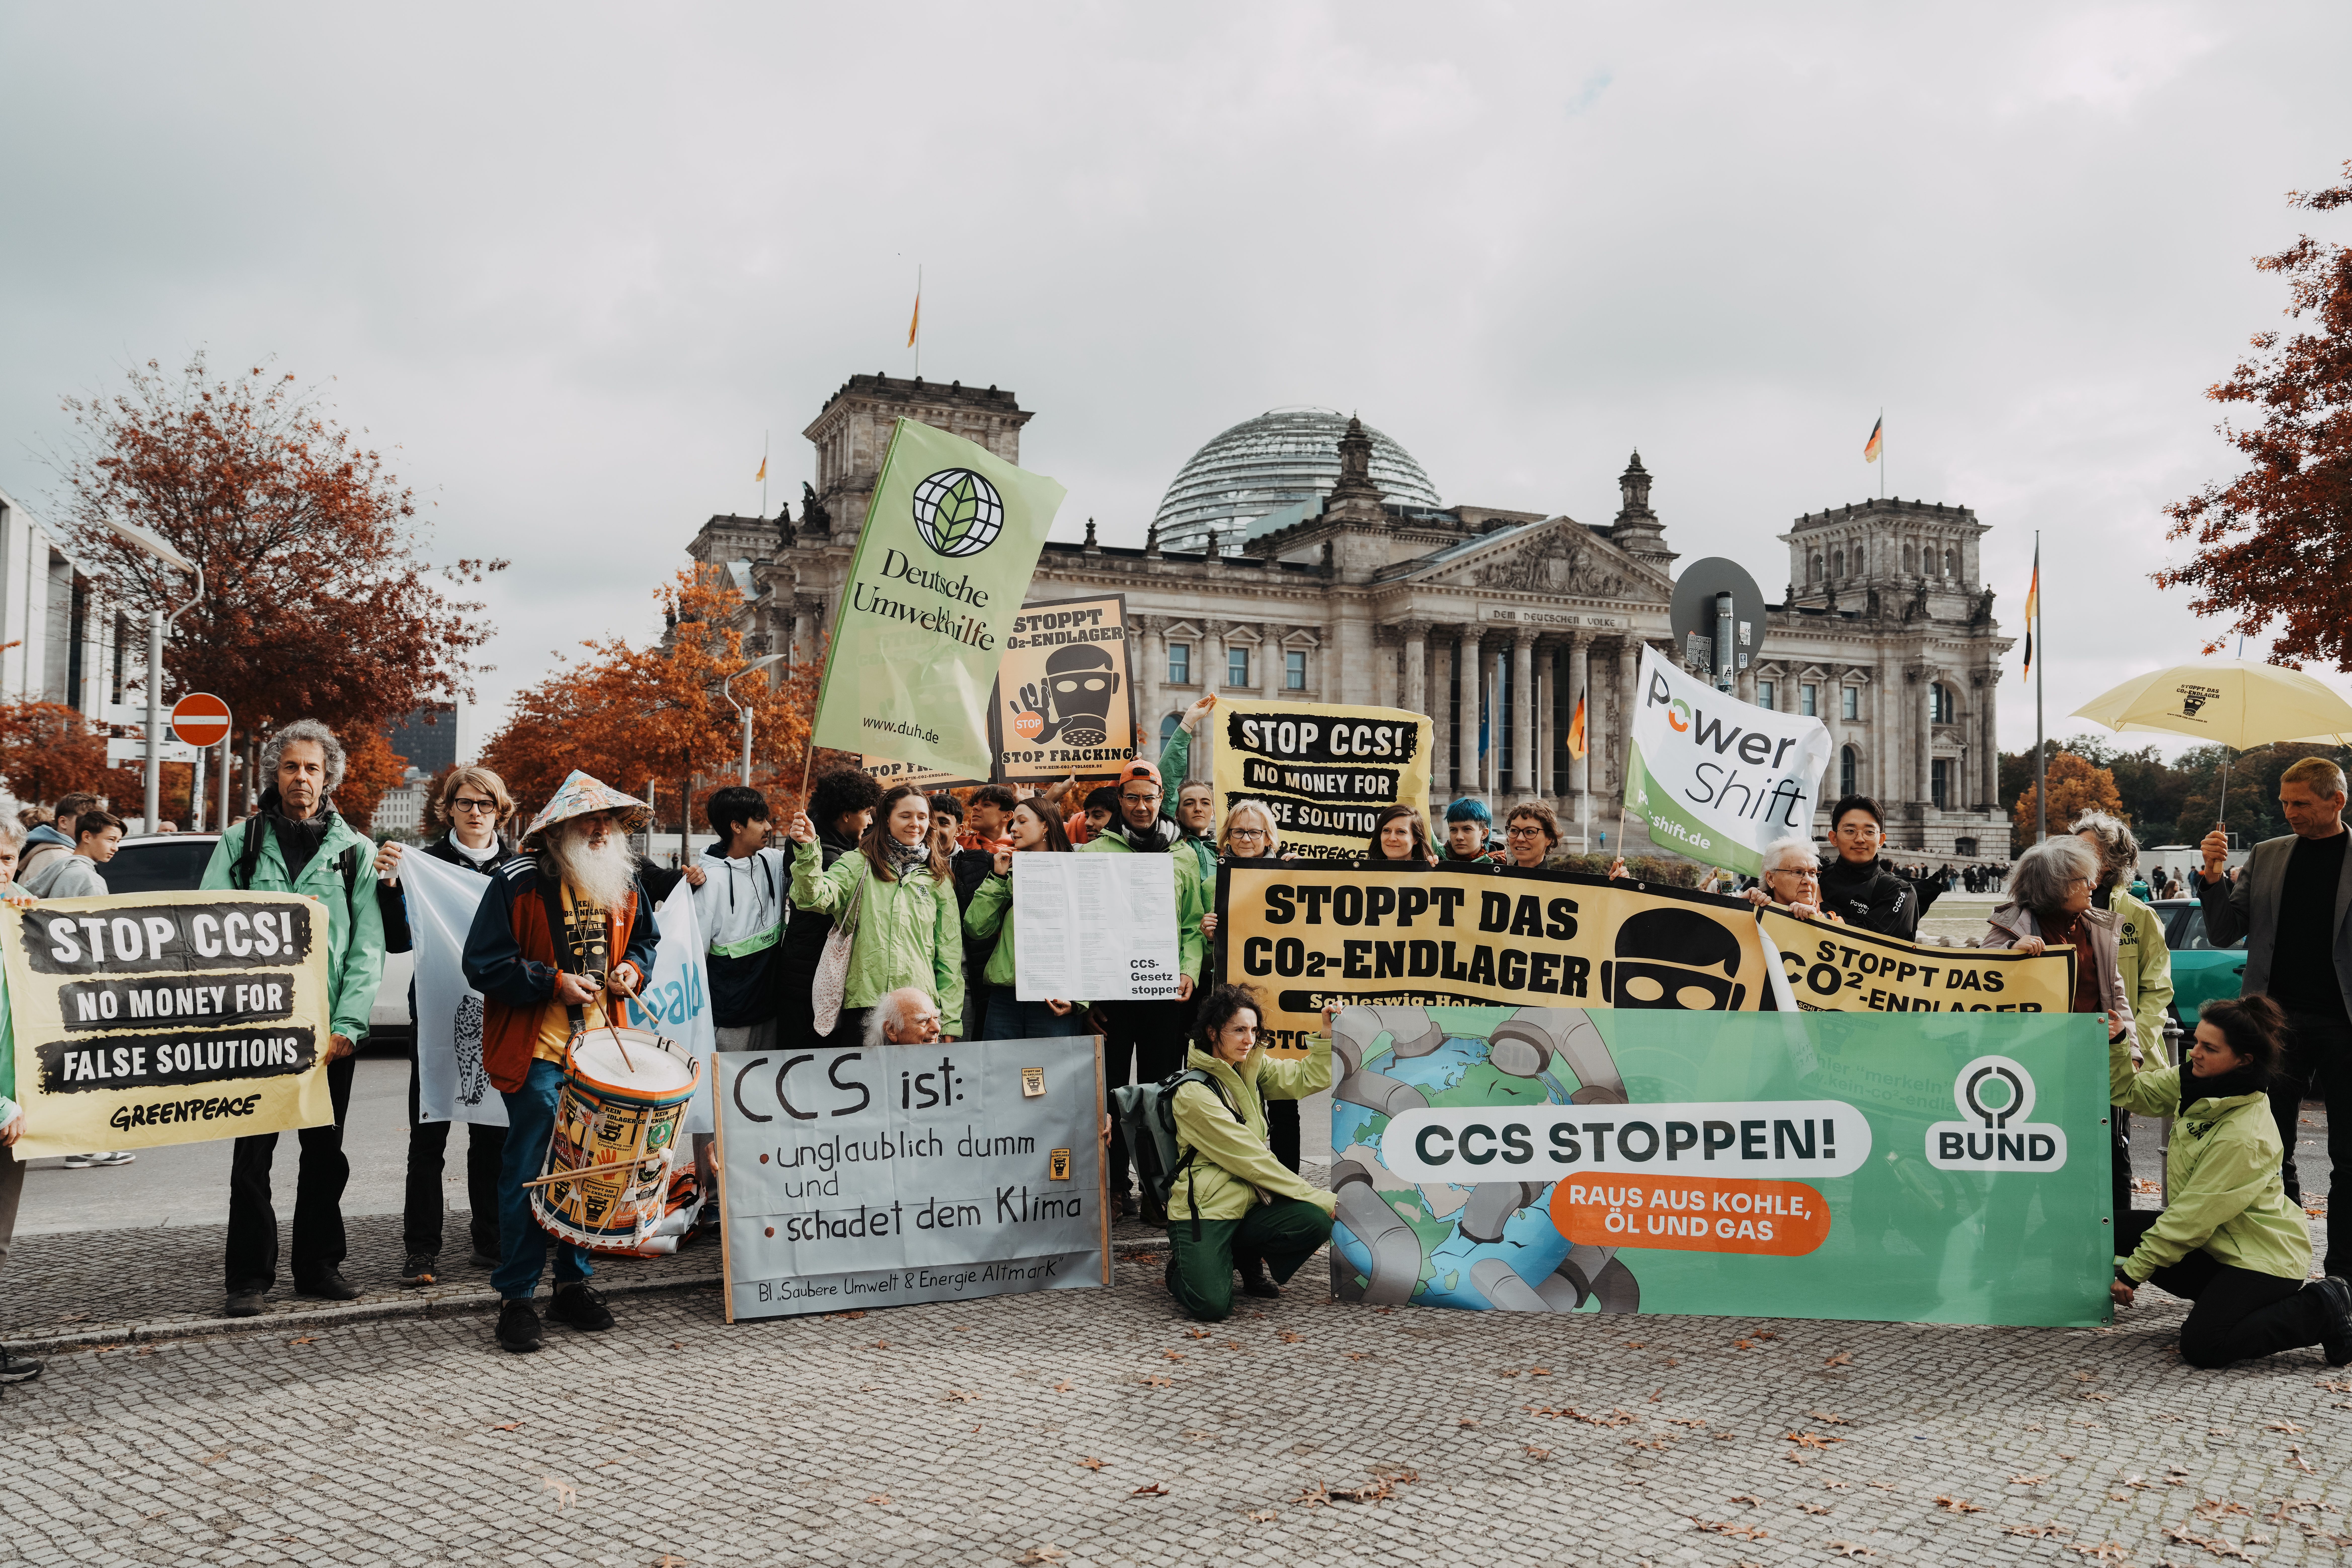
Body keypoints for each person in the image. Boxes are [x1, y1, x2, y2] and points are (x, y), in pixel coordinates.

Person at [462, 771, 659, 1353]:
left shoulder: (624, 883)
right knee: (535, 1165)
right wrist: (551, 982)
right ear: (558, 831)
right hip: (538, 1053)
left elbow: (647, 941)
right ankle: (517, 1296)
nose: (601, 829)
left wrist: (633, 971)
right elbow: (483, 965)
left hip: (603, 1055)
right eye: (587, 821)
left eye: (609, 822)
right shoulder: (516, 882)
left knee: (593, 1167)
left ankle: (573, 1282)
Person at [203, 720, 386, 1318]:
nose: (301, 777)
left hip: (325, 1033)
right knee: (252, 1156)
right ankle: (248, 1278)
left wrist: (350, 1026)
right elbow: (208, 926)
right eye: (290, 767)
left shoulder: (354, 851)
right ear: (273, 775)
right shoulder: (242, 842)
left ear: (328, 776)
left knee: (324, 1153)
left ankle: (318, 1267)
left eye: (311, 768)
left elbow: (366, 948)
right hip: (256, 1028)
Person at [2109, 994, 2352, 1368]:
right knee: (2105, 1228)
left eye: (2209, 1048)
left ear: (2244, 1060)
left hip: (2263, 1260)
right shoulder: (2192, 1081)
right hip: (2218, 1243)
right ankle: (2226, 1301)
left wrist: (2133, 1272)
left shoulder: (2244, 1135)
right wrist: (2117, 1045)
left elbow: (2192, 1217)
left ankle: (2324, 1306)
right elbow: (2130, 1093)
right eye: (2197, 1043)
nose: (2195, 1054)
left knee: (2204, 1346)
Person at [2199, 755, 2352, 1271]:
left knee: (2349, 1159)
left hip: (2344, 1024)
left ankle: (2344, 1278)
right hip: (2273, 1025)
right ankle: (2282, 1261)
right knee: (2270, 1149)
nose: (2289, 811)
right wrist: (2213, 877)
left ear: (2337, 800)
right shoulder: (2266, 855)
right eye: (2284, 802)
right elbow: (2223, 932)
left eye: (2301, 803)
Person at [374, 766, 520, 1288]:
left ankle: (490, 1237)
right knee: (429, 1133)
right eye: (464, 802)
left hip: (503, 1013)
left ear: (500, 808)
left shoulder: (519, 866)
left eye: (484, 802)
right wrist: (391, 887)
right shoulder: (425, 863)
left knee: (492, 1135)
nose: (475, 811)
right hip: (438, 1011)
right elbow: (398, 941)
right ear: (449, 807)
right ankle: (421, 1249)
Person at [1165, 985, 1335, 1321]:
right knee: (1212, 1307)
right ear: (1213, 1032)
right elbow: (1251, 1160)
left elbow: (1306, 1077)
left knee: (1313, 1223)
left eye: (1254, 1030)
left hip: (1249, 1202)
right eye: (1239, 1030)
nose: (1249, 1039)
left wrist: (1327, 1034)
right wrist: (1321, 1197)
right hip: (1206, 1209)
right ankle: (1181, 1268)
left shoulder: (1251, 1070)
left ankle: (1240, 1254)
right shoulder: (1193, 1092)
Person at [1085, 758, 1206, 1217]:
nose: (1140, 806)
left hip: (1163, 996)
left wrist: (1189, 970)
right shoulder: (1095, 853)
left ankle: (1158, 1189)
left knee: (1159, 1094)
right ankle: (1116, 1185)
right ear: (1120, 801)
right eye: (1131, 797)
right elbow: (1085, 929)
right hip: (1112, 997)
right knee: (1112, 1092)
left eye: (1148, 797)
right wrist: (1086, 998)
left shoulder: (1183, 854)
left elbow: (1193, 926)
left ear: (1162, 799)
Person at [786, 782, 965, 1044]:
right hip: (865, 1005)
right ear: (886, 819)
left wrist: (949, 1020)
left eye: (922, 817)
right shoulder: (857, 863)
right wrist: (808, 850)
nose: (915, 823)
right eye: (905, 816)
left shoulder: (938, 878)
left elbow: (949, 955)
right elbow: (812, 898)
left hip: (921, 1010)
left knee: (913, 1084)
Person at [2076, 809, 2176, 1223]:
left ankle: (2115, 1249)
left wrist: (2135, 1046)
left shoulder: (2139, 916)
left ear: (2110, 859)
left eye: (2085, 848)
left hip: (2112, 1054)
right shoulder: (2056, 906)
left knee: (2112, 1150)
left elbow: (2156, 990)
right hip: (2062, 1049)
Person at [1201, 798, 1305, 1173]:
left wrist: (1299, 875)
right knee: (1231, 1098)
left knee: (1281, 1100)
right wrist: (1209, 935)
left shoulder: (1289, 874)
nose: (1246, 838)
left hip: (1279, 1004)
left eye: (1255, 831)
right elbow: (1205, 951)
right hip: (1232, 1006)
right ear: (1227, 835)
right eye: (1238, 830)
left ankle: (1289, 1180)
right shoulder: (1213, 881)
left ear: (1269, 837)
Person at [1982, 836, 2132, 1041]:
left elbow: (2117, 996)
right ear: (2056, 886)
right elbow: (1978, 979)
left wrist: (2131, 1047)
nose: (2094, 886)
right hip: (2035, 1052)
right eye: (2085, 879)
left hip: (2092, 1050)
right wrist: (2011, 952)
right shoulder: (2013, 926)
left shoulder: (2097, 929)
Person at [773, 766, 881, 1049]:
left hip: (804, 969)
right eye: (867, 812)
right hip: (813, 975)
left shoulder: (835, 847)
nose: (870, 821)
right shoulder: (828, 858)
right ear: (846, 815)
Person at [964, 797, 1087, 1039]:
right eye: (1013, 822)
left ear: (1046, 826)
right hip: (1005, 998)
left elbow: (1097, 940)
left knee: (1053, 1076)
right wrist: (997, 879)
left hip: (1055, 998)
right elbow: (976, 929)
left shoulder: (1079, 872)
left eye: (1022, 821)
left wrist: (1081, 1001)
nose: (1013, 828)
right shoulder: (1008, 872)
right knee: (1001, 1075)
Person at [683, 786, 790, 1048]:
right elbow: (695, 955)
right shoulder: (709, 881)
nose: (769, 828)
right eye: (760, 820)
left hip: (772, 1011)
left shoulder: (774, 861)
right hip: (730, 1020)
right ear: (736, 826)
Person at [1816, 795, 1918, 939]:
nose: (1860, 839)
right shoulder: (1815, 876)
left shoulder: (1899, 891)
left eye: (1869, 832)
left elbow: (1870, 940)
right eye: (1850, 831)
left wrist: (1821, 905)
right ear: (1834, 838)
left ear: (1881, 840)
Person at [19, 809, 123, 899]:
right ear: (87, 837)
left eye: (118, 842)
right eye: (111, 840)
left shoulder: (57, 867)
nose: (115, 848)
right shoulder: (91, 881)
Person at [1743, 836, 1842, 922]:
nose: (1808, 881)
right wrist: (1737, 907)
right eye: (1798, 872)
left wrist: (1819, 924)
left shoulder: (1835, 922)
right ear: (1771, 879)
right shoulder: (1751, 915)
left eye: (1813, 873)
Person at [16, 792, 101, 889]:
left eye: (95, 824)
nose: (91, 828)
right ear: (63, 822)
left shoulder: (59, 852)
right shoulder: (59, 858)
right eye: (84, 822)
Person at [863, 986, 944, 1047]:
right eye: (924, 1021)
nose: (937, 1028)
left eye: (936, 1019)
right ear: (891, 1030)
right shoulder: (870, 1067)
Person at [1363, 802, 1437, 866]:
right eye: (1387, 831)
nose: (1392, 838)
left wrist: (1434, 870)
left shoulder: (1430, 873)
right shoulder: (1363, 873)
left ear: (1416, 840)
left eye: (1401, 832)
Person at [1499, 803, 1565, 871]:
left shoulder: (1556, 881)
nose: (1520, 839)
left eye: (1530, 832)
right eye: (1514, 830)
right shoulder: (1496, 879)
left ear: (1549, 839)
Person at [1438, 798, 1495, 864]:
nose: (1459, 837)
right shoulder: (1437, 861)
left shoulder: (1501, 867)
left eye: (1467, 829)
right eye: (1453, 830)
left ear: (1484, 834)